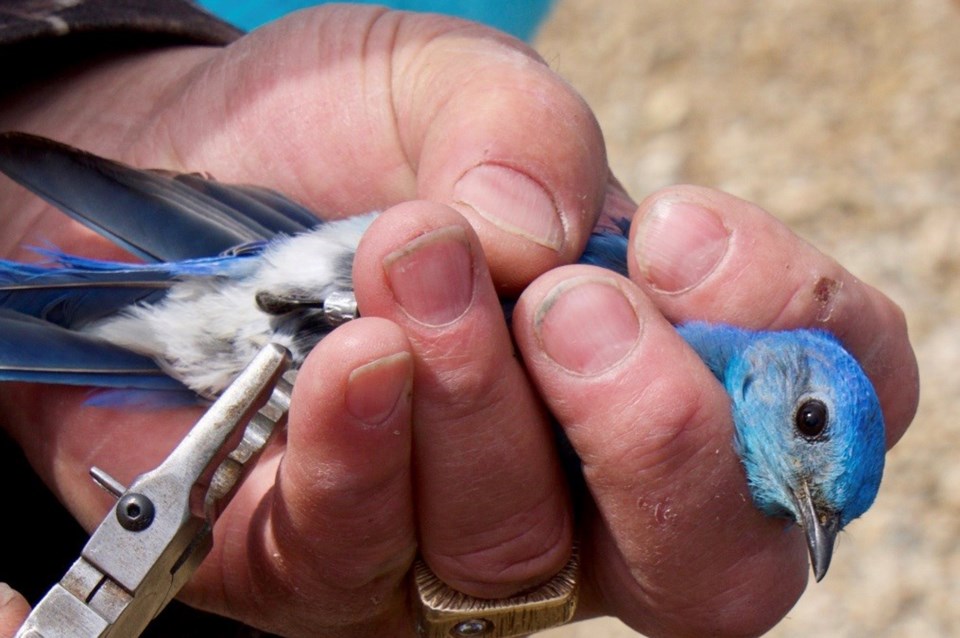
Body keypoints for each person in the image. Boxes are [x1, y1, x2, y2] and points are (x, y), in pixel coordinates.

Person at [0, 3, 919, 637]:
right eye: (810, 427)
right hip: (296, 276)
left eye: (816, 518)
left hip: (237, 394)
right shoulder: (644, 283)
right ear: (778, 370)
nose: (805, 503)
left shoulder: (651, 427)